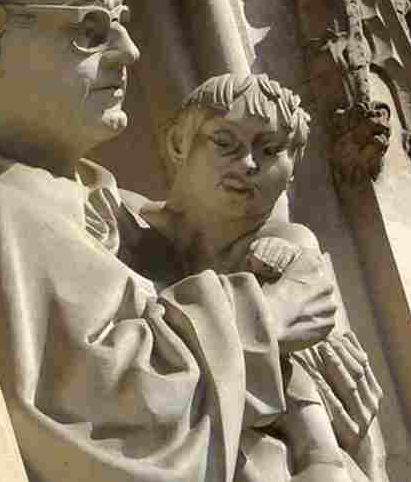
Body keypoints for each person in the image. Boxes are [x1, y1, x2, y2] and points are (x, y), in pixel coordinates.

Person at [0, 0, 355, 482]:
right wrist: (269, 314)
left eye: (121, 23)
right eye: (91, 29)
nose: (128, 52)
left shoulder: (128, 216)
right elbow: (114, 418)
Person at [120, 72, 386, 482]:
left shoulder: (287, 239)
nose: (247, 164)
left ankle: (320, 461)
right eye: (225, 143)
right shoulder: (127, 223)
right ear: (178, 144)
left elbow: (335, 386)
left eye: (270, 150)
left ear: (293, 164)